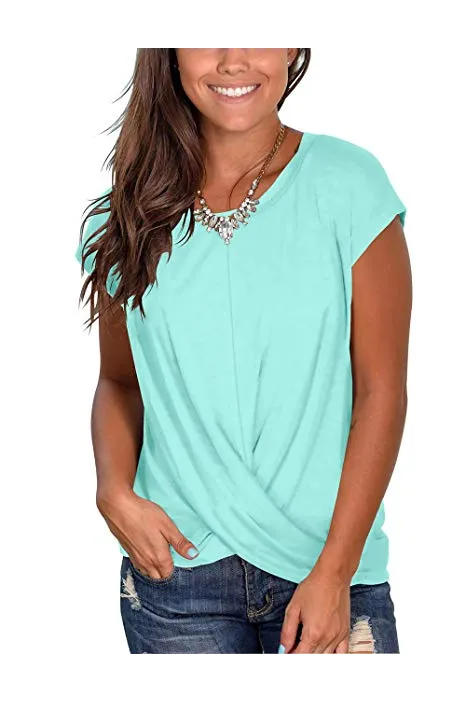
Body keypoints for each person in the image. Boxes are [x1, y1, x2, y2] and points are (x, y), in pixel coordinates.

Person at [75, 48, 411, 656]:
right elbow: (121, 382)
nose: (234, 60)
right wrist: (112, 491)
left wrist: (336, 571)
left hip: (328, 573)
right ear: (169, 51)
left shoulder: (349, 185)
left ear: (291, 45)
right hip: (177, 581)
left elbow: (381, 390)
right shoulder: (126, 217)